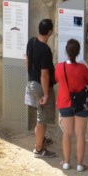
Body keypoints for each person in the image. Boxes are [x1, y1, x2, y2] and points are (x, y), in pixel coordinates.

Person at [55, 38, 88, 172]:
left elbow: (57, 79)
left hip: (65, 102)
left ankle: (66, 162)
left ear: (66, 51)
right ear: (78, 53)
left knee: (67, 133)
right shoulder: (82, 68)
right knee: (80, 134)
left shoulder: (60, 67)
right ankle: (80, 164)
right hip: (81, 103)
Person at [26, 18, 56, 157]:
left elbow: (27, 61)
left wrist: (32, 75)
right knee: (42, 119)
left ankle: (41, 140)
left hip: (31, 82)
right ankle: (38, 149)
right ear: (50, 32)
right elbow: (45, 75)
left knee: (40, 114)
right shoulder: (45, 50)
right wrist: (46, 94)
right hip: (39, 86)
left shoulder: (31, 42)